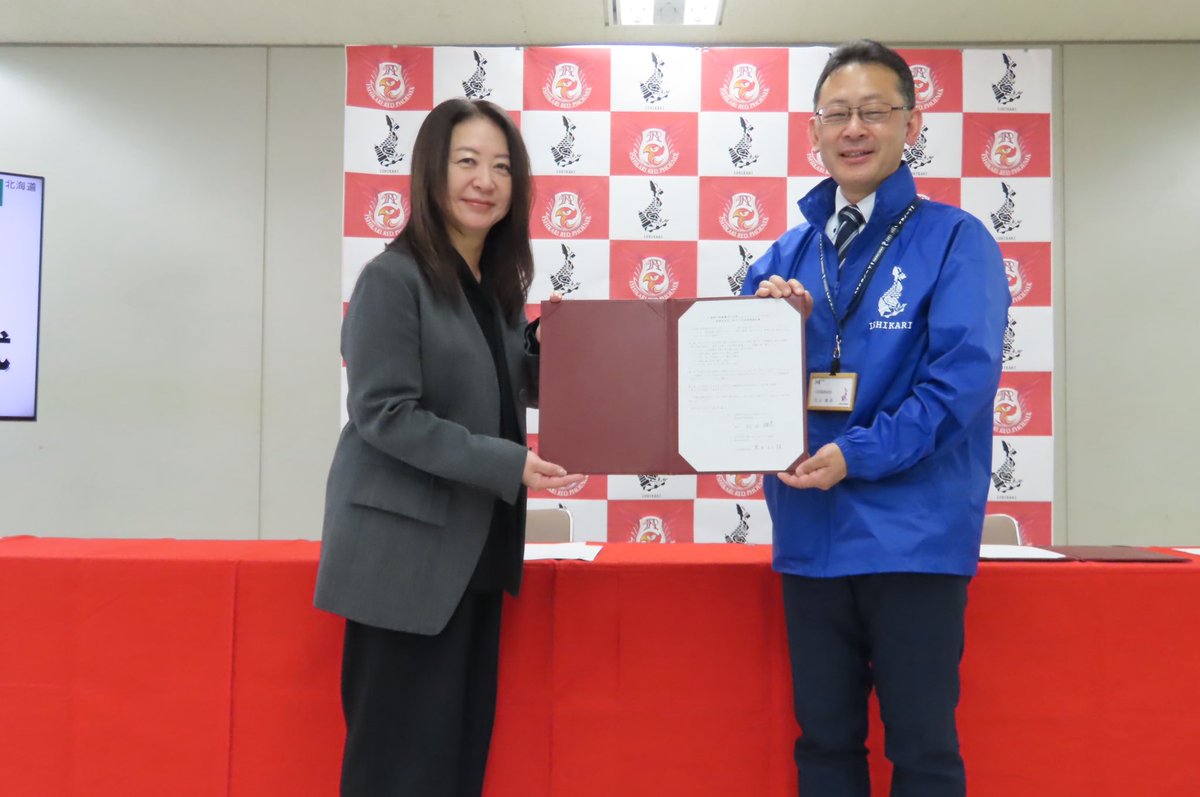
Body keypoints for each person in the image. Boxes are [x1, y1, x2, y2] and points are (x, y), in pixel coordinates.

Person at [741, 41, 1010, 797]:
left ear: (911, 125)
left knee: (922, 750)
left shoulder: (956, 240)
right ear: (814, 131)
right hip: (809, 535)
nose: (853, 129)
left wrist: (855, 455)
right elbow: (737, 388)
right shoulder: (784, 257)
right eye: (837, 114)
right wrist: (770, 329)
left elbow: (959, 386)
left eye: (873, 111)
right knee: (823, 744)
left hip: (912, 540)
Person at [314, 97, 582, 797]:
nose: (485, 181)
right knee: (398, 771)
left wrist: (574, 351)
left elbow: (508, 383)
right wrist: (510, 464)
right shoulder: (392, 278)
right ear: (431, 170)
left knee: (455, 765)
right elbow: (385, 413)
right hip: (405, 566)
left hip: (473, 555)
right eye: (467, 161)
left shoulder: (493, 288)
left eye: (502, 167)